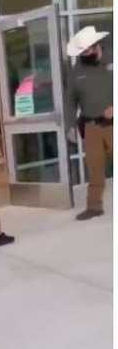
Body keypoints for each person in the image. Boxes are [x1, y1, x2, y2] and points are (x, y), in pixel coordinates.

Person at [65, 26, 113, 221]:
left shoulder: (112, 61)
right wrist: (69, 125)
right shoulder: (77, 71)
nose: (84, 55)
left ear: (95, 45)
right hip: (91, 127)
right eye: (81, 52)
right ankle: (94, 207)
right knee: (95, 168)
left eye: (86, 50)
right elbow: (70, 101)